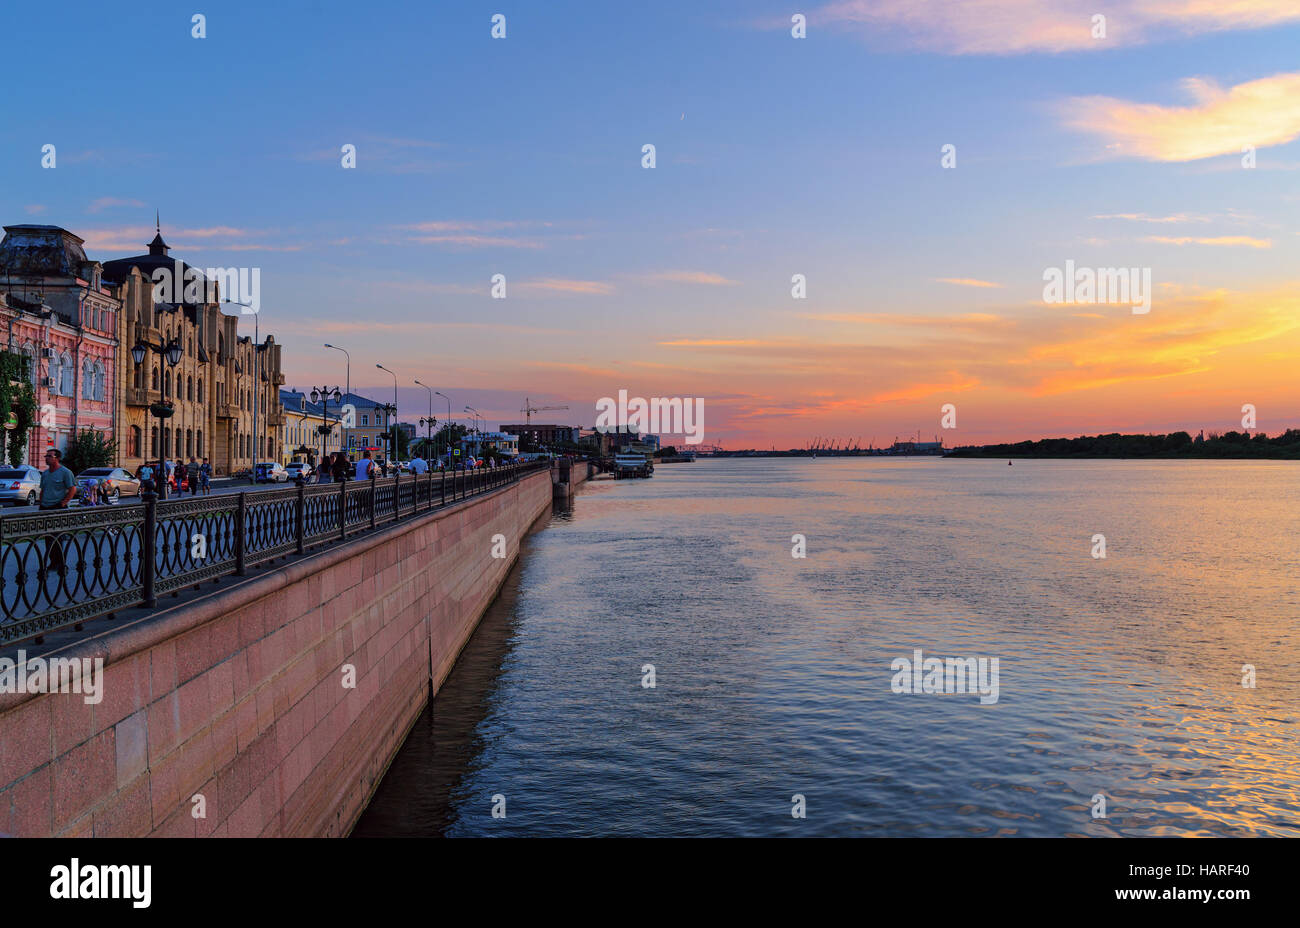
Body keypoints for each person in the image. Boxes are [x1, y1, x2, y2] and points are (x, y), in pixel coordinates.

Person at [39, 449, 77, 575]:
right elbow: (43, 489)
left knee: (57, 536)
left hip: (57, 507)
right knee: (47, 537)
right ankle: (52, 562)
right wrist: (41, 503)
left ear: (57, 458)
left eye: (49, 456)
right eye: (46, 456)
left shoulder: (65, 472)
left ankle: (60, 563)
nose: (46, 458)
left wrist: (63, 503)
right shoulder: (45, 473)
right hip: (45, 507)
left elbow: (72, 489)